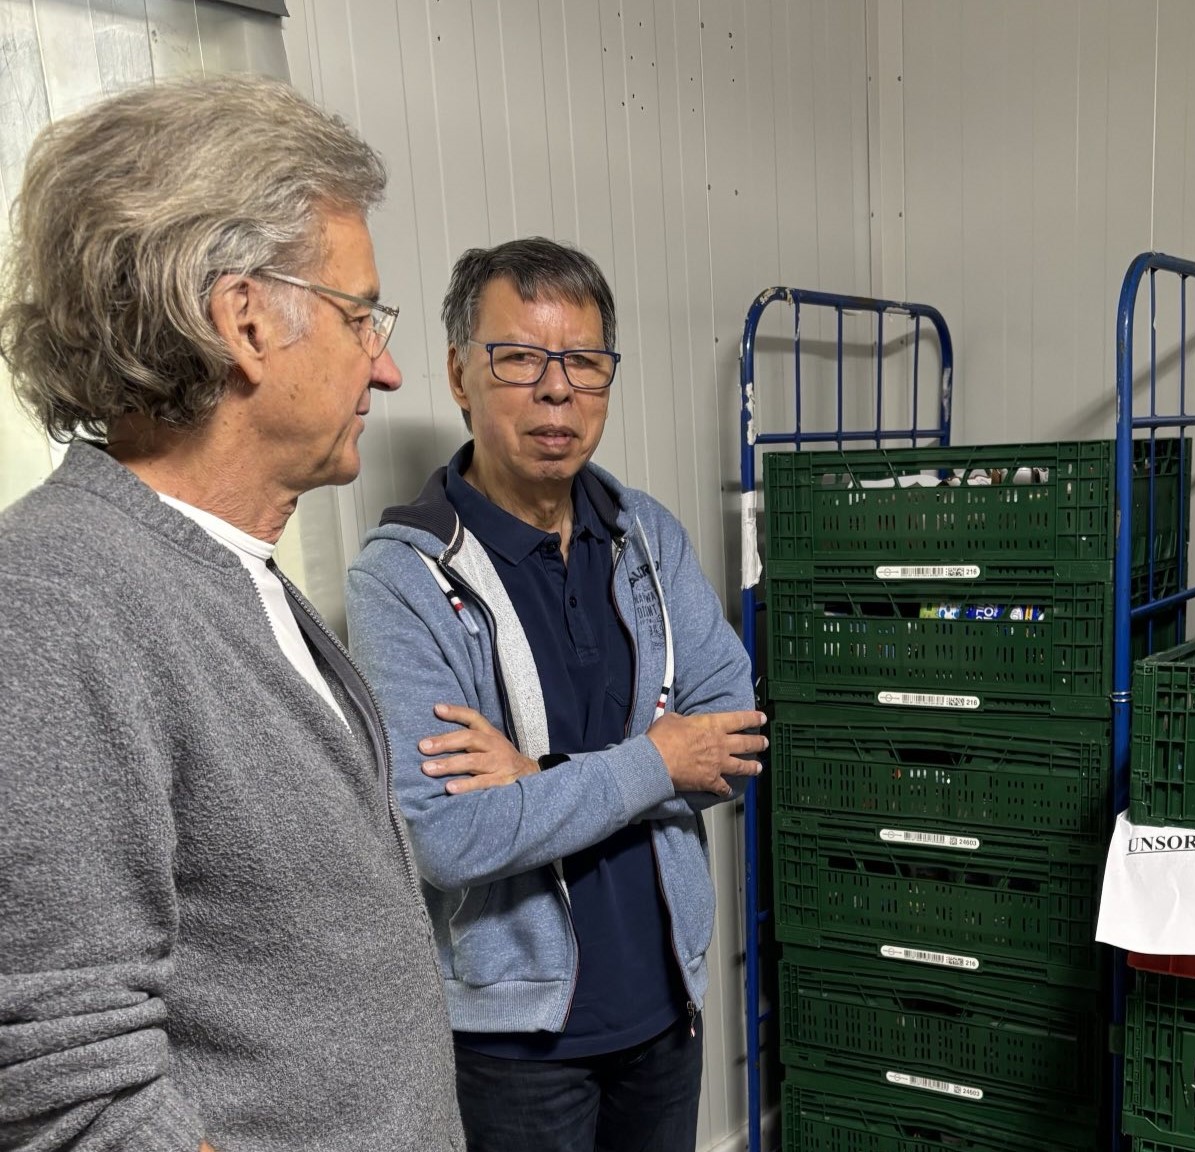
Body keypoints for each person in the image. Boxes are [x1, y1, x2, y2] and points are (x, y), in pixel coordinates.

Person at [0, 76, 462, 1151]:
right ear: (245, 319)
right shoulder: (57, 605)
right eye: (362, 317)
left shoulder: (227, 571)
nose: (385, 367)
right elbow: (68, 1094)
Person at [344, 237, 765, 1152]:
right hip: (515, 1046)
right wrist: (657, 757)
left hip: (665, 1005)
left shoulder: (645, 535)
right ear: (460, 373)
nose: (557, 389)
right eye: (520, 358)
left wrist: (538, 773)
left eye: (584, 361)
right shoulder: (403, 580)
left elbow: (731, 741)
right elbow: (447, 838)